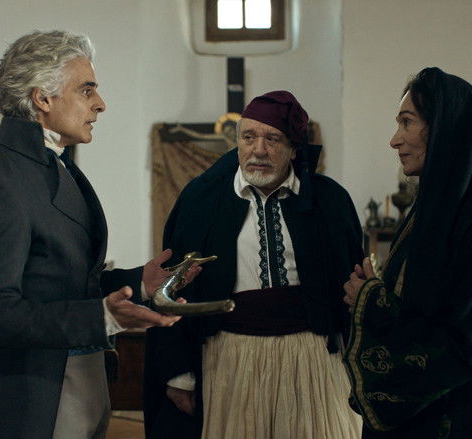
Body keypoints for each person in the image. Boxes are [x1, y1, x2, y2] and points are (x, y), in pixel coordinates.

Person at [0, 30, 195, 439]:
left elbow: (61, 281)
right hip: (39, 394)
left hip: (81, 376)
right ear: (42, 99)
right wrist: (102, 317)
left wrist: (139, 283)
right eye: (86, 90)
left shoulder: (54, 167)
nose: (100, 103)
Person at [144, 91, 364, 438]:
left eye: (272, 139)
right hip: (231, 359)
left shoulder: (330, 201)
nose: (258, 150)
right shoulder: (201, 200)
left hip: (313, 359)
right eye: (248, 137)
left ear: (294, 148)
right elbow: (172, 292)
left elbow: (352, 290)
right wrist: (179, 374)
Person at [342, 67, 472, 438]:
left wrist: (372, 302)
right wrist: (374, 290)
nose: (394, 140)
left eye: (407, 122)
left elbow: (464, 346)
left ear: (445, 128)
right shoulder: (434, 209)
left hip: (465, 420)